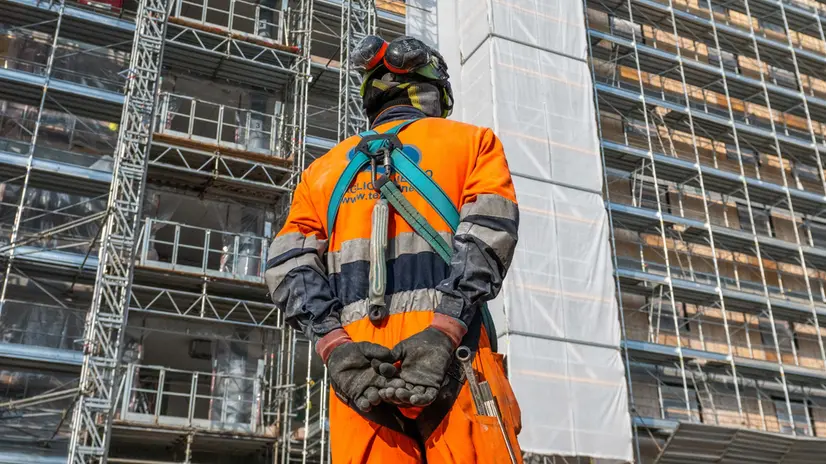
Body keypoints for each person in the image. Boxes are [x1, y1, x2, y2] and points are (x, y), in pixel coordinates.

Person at [265, 35, 522, 463]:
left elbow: (288, 266)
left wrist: (335, 347)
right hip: (456, 361)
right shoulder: (474, 143)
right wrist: (444, 330)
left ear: (371, 99)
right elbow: (489, 237)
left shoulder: (322, 173)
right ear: (434, 93)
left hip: (361, 380)